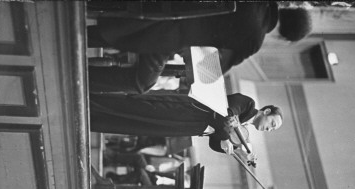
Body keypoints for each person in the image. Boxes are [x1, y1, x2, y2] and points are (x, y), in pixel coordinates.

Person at [88, 2, 312, 94]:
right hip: (163, 36)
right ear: (285, 37)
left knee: (130, 31)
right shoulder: (254, 40)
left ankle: (88, 34)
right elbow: (208, 72)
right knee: (142, 83)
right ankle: (82, 77)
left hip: (161, 7)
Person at [89, 93, 283, 156]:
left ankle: (92, 121)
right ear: (266, 112)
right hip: (186, 112)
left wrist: (231, 148)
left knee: (137, 126)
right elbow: (221, 114)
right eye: (272, 123)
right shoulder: (248, 104)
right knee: (137, 109)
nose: (270, 129)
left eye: (273, 129)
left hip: (185, 127)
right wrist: (226, 137)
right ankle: (88, 101)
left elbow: (214, 142)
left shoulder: (244, 130)